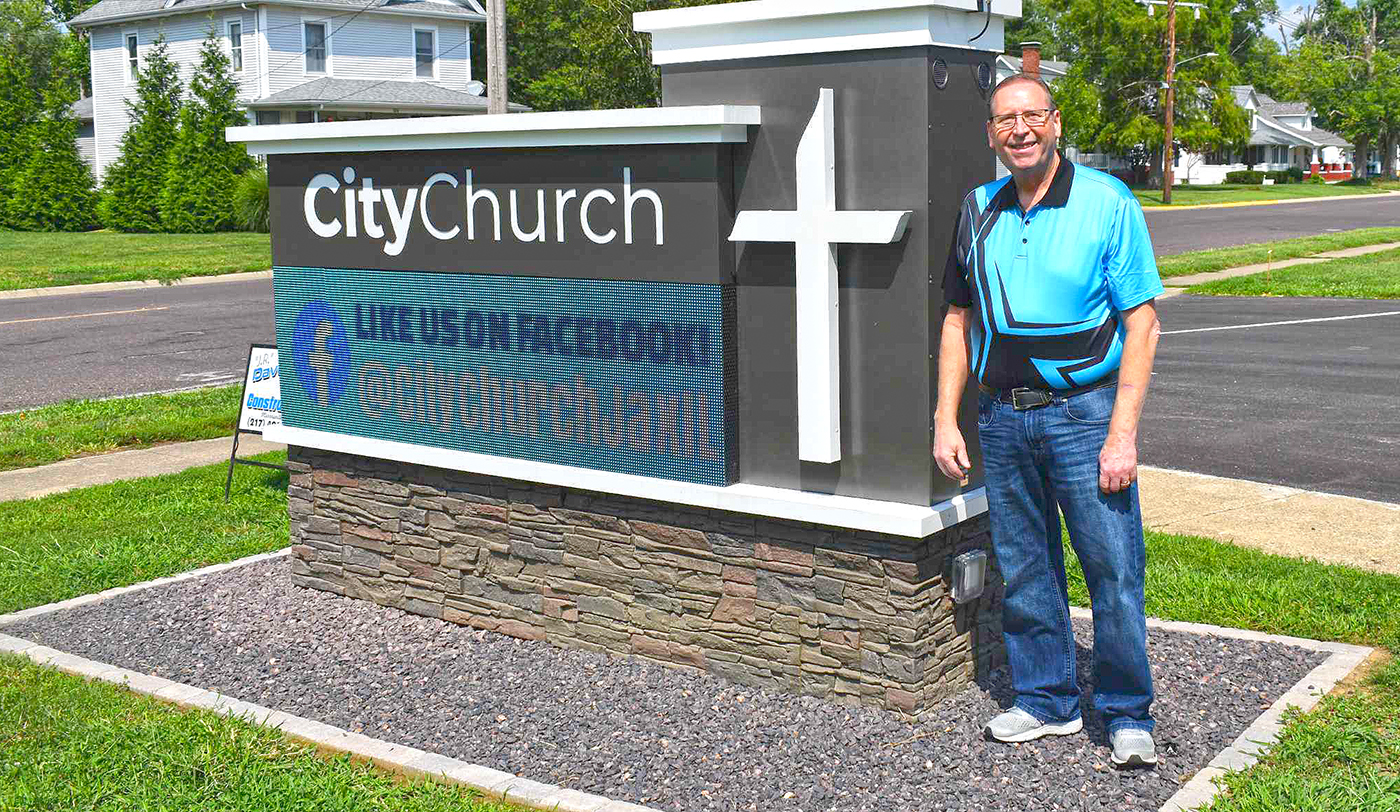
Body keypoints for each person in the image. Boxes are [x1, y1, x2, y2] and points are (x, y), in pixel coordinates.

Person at [933, 74, 1164, 768]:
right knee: (1027, 568)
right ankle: (1046, 701)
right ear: (992, 134)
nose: (1020, 130)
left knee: (1113, 570)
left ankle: (1127, 713)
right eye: (1006, 119)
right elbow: (957, 319)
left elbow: (1143, 321)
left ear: (1055, 122)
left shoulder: (1107, 202)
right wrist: (946, 419)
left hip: (1084, 417)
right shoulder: (978, 209)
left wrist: (1121, 433)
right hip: (1001, 420)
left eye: (1033, 115)